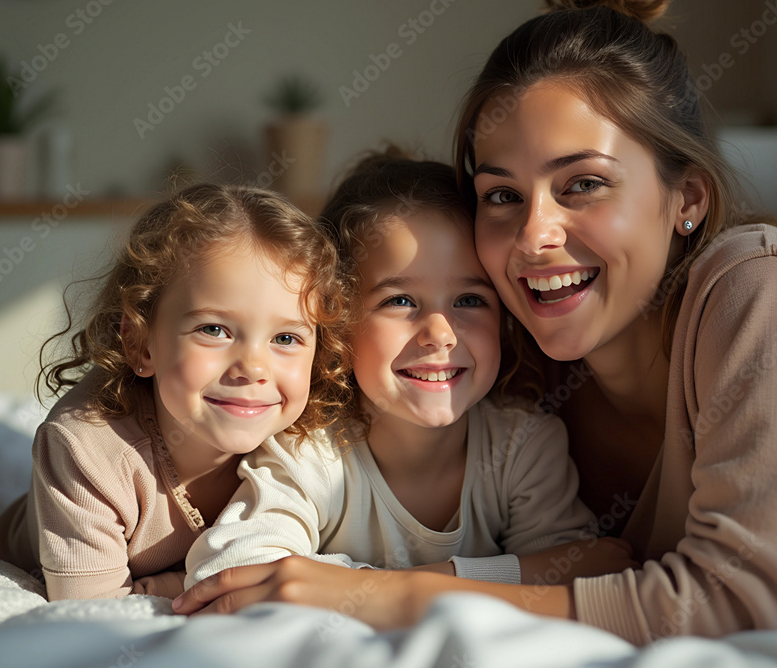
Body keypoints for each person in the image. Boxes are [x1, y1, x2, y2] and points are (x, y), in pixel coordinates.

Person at [173, 0, 777, 644]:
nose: (533, 235)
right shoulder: (503, 341)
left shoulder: (760, 287)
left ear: (686, 196)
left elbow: (739, 602)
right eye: (502, 193)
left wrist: (392, 591)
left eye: (583, 183)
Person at [183, 150, 632, 590]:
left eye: (470, 301)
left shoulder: (523, 448)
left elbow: (581, 575)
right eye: (400, 301)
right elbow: (230, 575)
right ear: (337, 321)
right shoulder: (308, 453)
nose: (440, 333)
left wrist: (379, 587)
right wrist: (481, 581)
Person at [0, 183, 351, 600]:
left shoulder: (308, 435)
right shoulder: (85, 451)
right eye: (213, 330)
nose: (254, 368)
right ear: (141, 343)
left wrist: (178, 582)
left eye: (286, 339)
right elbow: (90, 616)